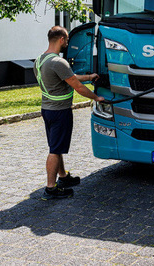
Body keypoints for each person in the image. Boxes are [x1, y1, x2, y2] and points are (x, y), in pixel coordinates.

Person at [34, 25, 104, 200]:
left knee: (55, 147)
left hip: (48, 109)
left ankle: (63, 177)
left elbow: (68, 76)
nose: (67, 43)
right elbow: (77, 87)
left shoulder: (40, 60)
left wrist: (89, 77)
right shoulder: (58, 62)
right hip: (60, 112)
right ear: (61, 40)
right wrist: (97, 98)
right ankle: (50, 188)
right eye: (66, 40)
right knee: (55, 150)